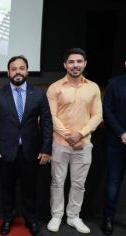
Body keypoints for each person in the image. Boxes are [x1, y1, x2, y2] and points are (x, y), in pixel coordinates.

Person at [0, 55, 53, 236]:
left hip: (31, 151)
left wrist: (46, 149)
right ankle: (8, 218)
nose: (17, 72)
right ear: (8, 72)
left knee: (30, 189)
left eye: (21, 68)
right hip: (5, 152)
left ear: (27, 71)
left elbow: (46, 122)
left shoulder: (38, 93)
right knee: (7, 189)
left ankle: (31, 219)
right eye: (14, 69)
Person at [46, 48, 102, 234]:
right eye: (71, 62)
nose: (75, 65)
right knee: (57, 181)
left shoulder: (93, 87)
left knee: (79, 184)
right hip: (60, 144)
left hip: (84, 145)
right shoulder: (55, 87)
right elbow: (51, 116)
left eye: (79, 61)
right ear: (65, 65)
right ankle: (56, 215)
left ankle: (73, 217)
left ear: (85, 63)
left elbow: (97, 115)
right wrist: (70, 136)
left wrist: (81, 134)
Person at [101, 60, 126, 235]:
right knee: (113, 183)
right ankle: (108, 218)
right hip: (116, 142)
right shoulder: (114, 84)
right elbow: (107, 111)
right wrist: (122, 133)